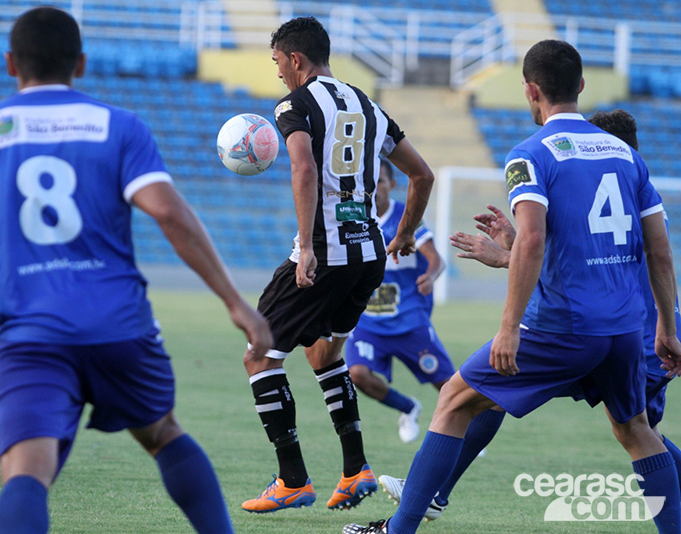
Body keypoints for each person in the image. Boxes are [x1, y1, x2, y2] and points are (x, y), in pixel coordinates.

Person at [0, 7, 272, 534]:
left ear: (10, 63)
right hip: (118, 326)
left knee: (25, 472)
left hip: (31, 333)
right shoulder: (120, 127)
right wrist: (235, 302)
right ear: (80, 63)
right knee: (162, 434)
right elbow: (170, 214)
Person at [345, 40, 681, 534]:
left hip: (566, 325)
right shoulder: (626, 156)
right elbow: (659, 250)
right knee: (636, 430)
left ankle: (403, 527)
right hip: (627, 327)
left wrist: (509, 327)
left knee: (457, 397)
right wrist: (667, 329)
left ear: (530, 90)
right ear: (582, 86)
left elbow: (535, 240)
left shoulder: (530, 153)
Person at [240, 16, 435, 513]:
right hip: (369, 254)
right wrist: (406, 232)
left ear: (296, 59)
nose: (279, 72)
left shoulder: (295, 104)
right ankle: (355, 471)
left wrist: (305, 245)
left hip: (325, 252)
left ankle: (292, 480)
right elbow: (422, 175)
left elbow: (303, 166)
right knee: (323, 355)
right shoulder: (370, 107)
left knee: (259, 355)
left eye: (279, 62)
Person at [343, 158, 450, 444]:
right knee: (357, 374)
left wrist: (429, 276)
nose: (374, 187)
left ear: (391, 184)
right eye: (368, 181)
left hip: (408, 318)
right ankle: (407, 407)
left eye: (379, 181)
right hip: (366, 322)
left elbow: (436, 260)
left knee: (449, 386)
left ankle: (466, 437)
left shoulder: (406, 217)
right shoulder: (352, 217)